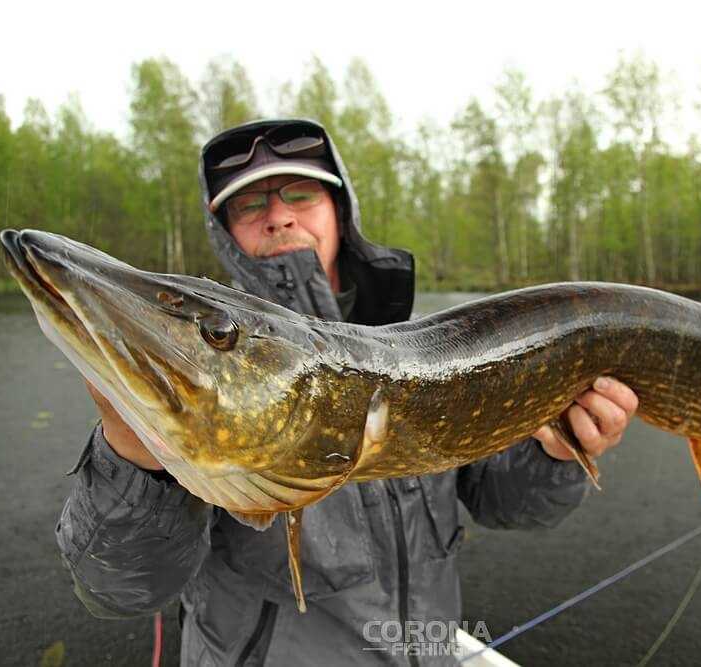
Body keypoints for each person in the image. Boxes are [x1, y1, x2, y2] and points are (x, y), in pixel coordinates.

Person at [57, 118, 639, 665]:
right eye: (250, 204)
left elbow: (507, 505)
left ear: (340, 209)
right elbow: (121, 589)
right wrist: (136, 463)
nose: (278, 216)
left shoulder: (419, 345)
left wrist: (558, 454)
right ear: (227, 234)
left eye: (300, 195)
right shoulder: (207, 379)